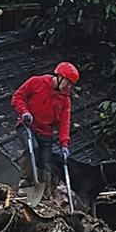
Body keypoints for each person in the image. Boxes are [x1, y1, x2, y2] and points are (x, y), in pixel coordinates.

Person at [11, 62, 79, 193]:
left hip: (46, 132)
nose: (69, 86)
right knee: (33, 149)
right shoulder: (37, 82)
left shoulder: (65, 100)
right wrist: (24, 111)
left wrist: (64, 144)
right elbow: (17, 96)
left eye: (71, 84)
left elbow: (65, 123)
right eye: (68, 82)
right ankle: (25, 183)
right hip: (27, 125)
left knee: (46, 162)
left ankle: (43, 192)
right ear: (59, 77)